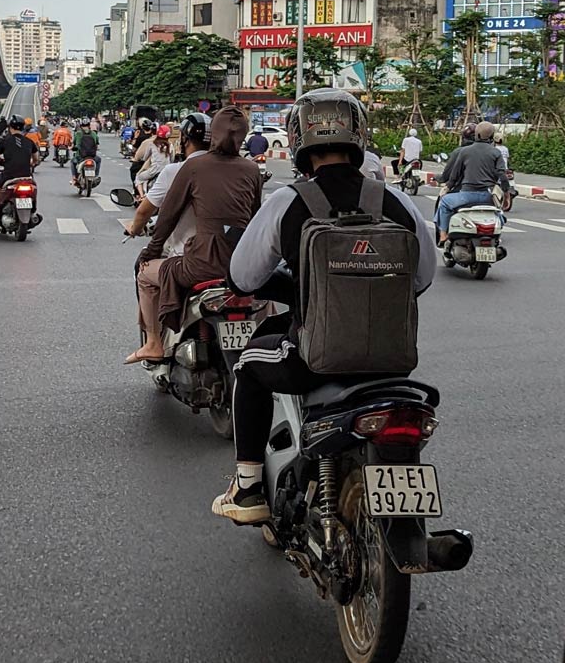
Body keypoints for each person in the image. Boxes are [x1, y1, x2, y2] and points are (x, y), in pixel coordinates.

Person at [212, 89, 436, 524]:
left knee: (248, 367)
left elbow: (242, 279)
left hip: (312, 360)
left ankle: (248, 487)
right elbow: (421, 279)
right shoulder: (397, 202)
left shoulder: (289, 201)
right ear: (359, 136)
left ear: (298, 139)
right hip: (392, 363)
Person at [124, 108, 262, 365]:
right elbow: (255, 218)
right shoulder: (251, 168)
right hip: (241, 264)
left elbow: (168, 216)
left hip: (201, 263)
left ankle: (154, 343)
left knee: (145, 273)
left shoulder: (194, 166)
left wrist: (151, 251)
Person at [122, 112, 210, 246]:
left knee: (142, 264)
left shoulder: (175, 171)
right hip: (222, 254)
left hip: (186, 255)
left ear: (184, 140)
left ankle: (140, 194)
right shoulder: (230, 173)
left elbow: (143, 212)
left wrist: (134, 228)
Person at [434, 120, 509, 243]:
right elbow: (502, 175)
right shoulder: (496, 152)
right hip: (487, 196)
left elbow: (454, 175)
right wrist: (506, 196)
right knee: (499, 213)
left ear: (477, 135)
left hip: (467, 195)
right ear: (491, 136)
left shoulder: (464, 151)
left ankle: (443, 235)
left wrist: (447, 188)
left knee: (444, 203)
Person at [0, 115, 38, 214]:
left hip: (9, 176)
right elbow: (36, 159)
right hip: (26, 176)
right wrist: (31, 163)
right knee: (34, 186)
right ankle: (33, 207)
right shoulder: (29, 142)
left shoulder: (4, 141)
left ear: (10, 127)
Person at [134, 125, 174, 197]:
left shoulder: (152, 144)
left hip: (154, 170)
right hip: (166, 171)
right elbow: (172, 159)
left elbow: (145, 157)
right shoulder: (170, 145)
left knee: (138, 177)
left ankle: (142, 196)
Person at [71, 119, 102, 184]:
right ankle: (96, 176)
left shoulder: (78, 133)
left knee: (73, 162)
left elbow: (74, 144)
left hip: (80, 156)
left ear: (81, 126)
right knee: (98, 160)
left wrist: (73, 147)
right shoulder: (93, 133)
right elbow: (97, 143)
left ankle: (74, 177)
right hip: (92, 156)